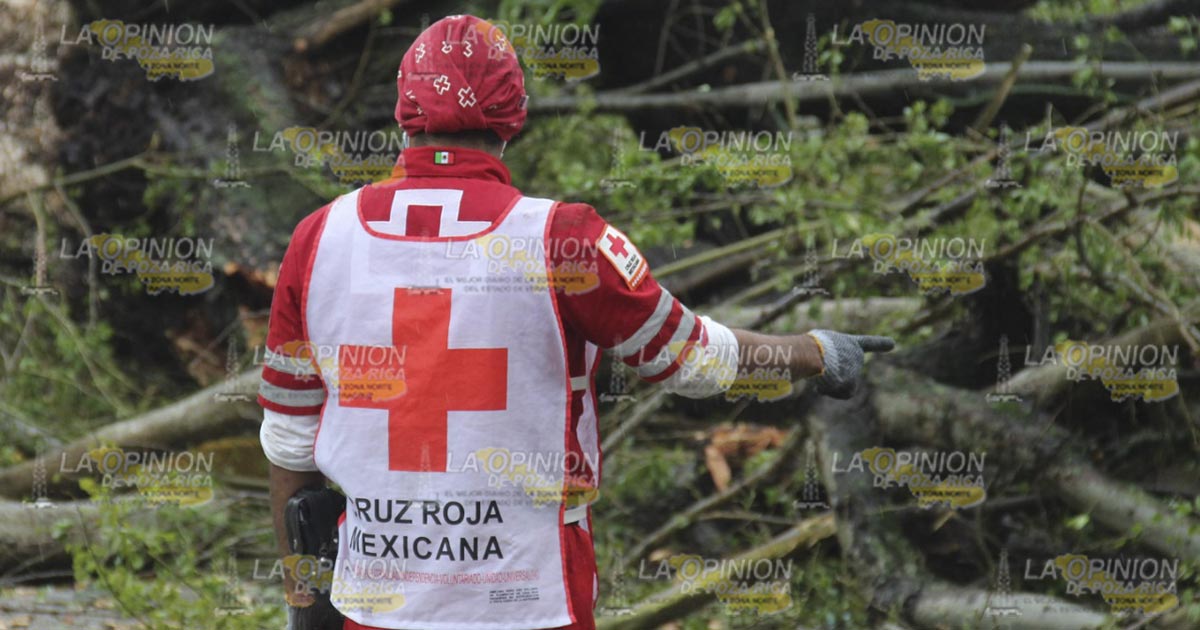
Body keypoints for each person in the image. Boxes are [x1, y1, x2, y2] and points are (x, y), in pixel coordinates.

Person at [258, 14, 893, 630]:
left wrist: (303, 599)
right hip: (532, 604)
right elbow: (693, 360)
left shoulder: (318, 240)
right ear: (514, 117)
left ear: (403, 112)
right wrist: (815, 351)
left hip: (376, 608)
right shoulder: (563, 238)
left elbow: (288, 439)